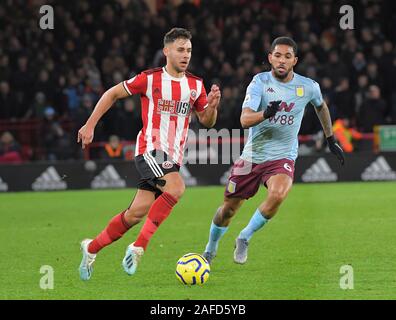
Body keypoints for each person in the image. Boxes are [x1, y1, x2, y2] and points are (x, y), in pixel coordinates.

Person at [77, 28, 221, 280]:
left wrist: (213, 107)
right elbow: (112, 93)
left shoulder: (196, 85)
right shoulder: (149, 79)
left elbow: (207, 122)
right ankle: (139, 247)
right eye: (180, 49)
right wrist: (90, 124)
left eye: (188, 50)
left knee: (135, 213)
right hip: (150, 149)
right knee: (176, 188)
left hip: (172, 157)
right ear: (166, 51)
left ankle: (91, 248)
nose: (185, 55)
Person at [202, 37, 344, 265]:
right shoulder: (259, 83)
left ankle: (244, 237)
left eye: (287, 57)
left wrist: (330, 137)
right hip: (252, 157)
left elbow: (321, 106)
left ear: (294, 61)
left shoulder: (308, 86)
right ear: (270, 58)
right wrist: (265, 114)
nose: (282, 60)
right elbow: (244, 119)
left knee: (278, 194)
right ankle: (210, 248)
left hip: (282, 156)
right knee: (228, 210)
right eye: (277, 55)